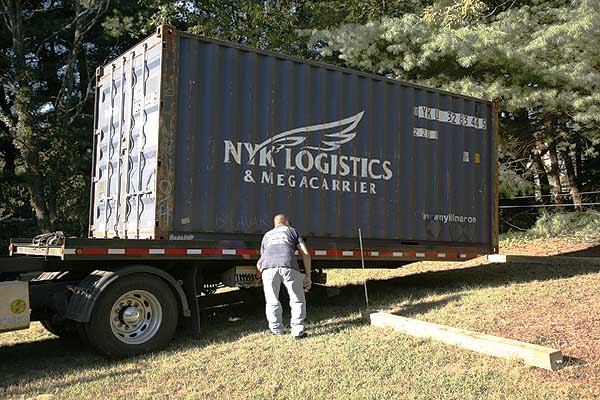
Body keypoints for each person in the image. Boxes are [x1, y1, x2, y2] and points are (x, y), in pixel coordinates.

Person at [256, 214, 312, 339]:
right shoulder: (291, 231)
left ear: (275, 224)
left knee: (271, 300)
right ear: (286, 222)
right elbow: (305, 253)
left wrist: (259, 275)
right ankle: (297, 332)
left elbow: (260, 261)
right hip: (288, 265)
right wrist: (308, 276)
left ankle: (276, 330)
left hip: (268, 268)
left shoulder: (267, 235)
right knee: (297, 299)